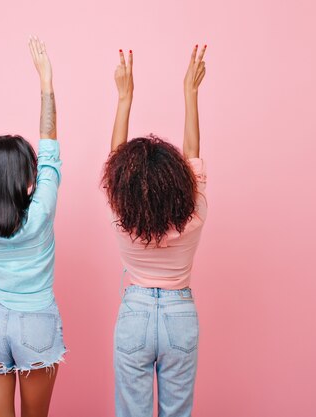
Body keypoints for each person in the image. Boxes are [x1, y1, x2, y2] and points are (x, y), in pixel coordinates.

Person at [0, 36, 65, 417]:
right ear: (26, 177)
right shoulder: (39, 216)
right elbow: (49, 145)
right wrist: (46, 81)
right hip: (36, 324)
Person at [101, 45, 208, 417]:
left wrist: (124, 97)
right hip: (180, 315)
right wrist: (190, 93)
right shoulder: (195, 210)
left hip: (136, 315)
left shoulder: (123, 214)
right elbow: (193, 151)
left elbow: (114, 161)